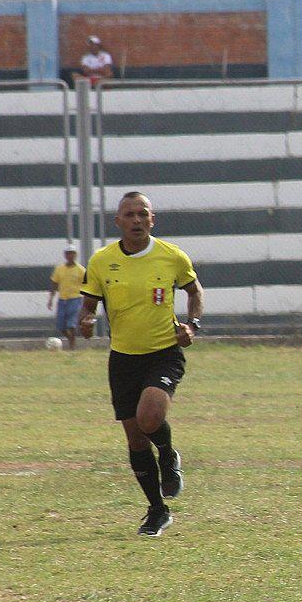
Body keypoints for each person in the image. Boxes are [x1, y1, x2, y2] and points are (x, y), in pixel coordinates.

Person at [78, 191, 204, 536]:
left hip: (163, 352)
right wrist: (86, 322)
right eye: (129, 214)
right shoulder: (102, 261)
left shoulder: (171, 256)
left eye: (142, 214)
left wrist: (192, 326)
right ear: (118, 221)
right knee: (135, 440)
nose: (136, 220)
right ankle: (157, 510)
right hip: (122, 359)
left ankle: (167, 453)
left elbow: (194, 291)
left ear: (152, 220)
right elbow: (87, 309)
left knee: (150, 417)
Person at [47, 243, 87, 350]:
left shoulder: (80, 270)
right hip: (62, 300)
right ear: (65, 255)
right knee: (61, 326)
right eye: (68, 253)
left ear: (75, 255)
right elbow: (54, 284)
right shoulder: (60, 269)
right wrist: (50, 299)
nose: (70, 256)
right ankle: (70, 339)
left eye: (72, 253)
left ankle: (72, 346)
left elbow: (87, 285)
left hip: (75, 299)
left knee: (71, 324)